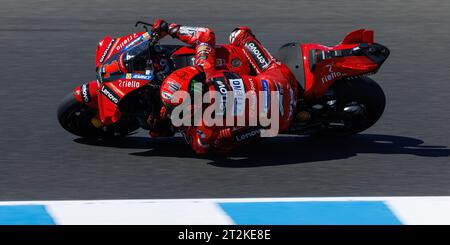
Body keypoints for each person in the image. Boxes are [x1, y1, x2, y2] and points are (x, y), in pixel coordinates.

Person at [151, 19, 298, 154]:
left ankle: (265, 126)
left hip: (279, 122)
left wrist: (169, 120)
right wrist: (171, 29)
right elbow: (205, 35)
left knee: (220, 142)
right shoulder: (206, 69)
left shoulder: (203, 125)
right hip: (280, 80)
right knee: (239, 34)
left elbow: (200, 146)